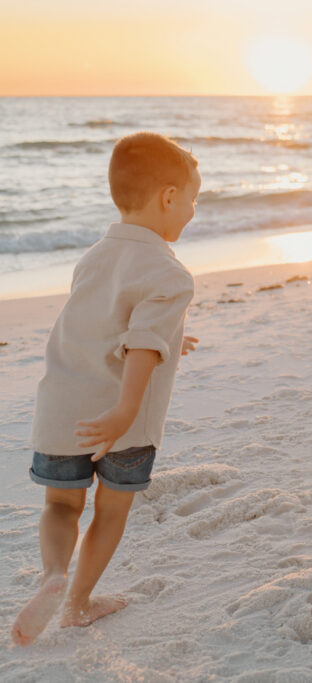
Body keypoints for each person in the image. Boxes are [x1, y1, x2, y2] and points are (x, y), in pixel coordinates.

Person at [11, 132, 200, 646]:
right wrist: (123, 409)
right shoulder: (169, 272)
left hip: (62, 411)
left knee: (60, 507)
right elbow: (139, 344)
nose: (191, 211)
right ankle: (76, 603)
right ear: (167, 197)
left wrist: (169, 339)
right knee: (110, 511)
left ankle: (53, 573)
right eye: (192, 199)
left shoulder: (92, 256)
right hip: (125, 422)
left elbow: (110, 327)